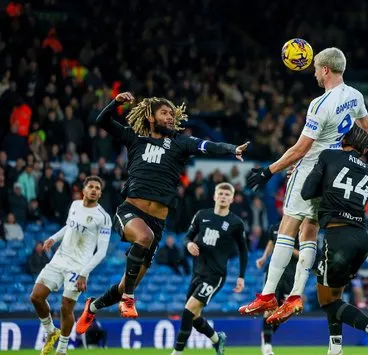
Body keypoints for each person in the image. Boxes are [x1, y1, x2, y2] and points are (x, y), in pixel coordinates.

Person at [239, 47, 368, 326]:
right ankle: (295, 295)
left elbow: (300, 149)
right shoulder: (355, 96)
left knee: (288, 226)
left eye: (317, 69)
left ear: (326, 70)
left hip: (311, 167)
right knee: (310, 230)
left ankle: (269, 294)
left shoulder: (320, 104)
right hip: (333, 171)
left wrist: (268, 170)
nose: (315, 73)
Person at [75, 92, 248, 331]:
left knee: (128, 281)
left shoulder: (179, 143)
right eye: (164, 112)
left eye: (172, 114)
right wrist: (115, 103)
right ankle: (128, 299)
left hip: (158, 223)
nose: (170, 117)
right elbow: (101, 122)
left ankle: (92, 308)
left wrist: (231, 149)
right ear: (151, 116)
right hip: (130, 211)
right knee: (142, 241)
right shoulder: (134, 138)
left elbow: (206, 146)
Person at [300, 125, 368, 355]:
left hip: (338, 236)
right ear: (364, 149)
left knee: (327, 302)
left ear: (344, 139)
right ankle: (335, 348)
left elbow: (306, 192)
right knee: (336, 296)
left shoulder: (329, 155)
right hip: (361, 238)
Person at [29, 176, 111, 355]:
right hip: (59, 258)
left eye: (98, 188)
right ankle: (50, 331)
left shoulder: (103, 218)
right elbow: (69, 227)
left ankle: (62, 349)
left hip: (78, 267)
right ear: (84, 190)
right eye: (91, 186)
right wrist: (53, 238)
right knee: (36, 297)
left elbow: (102, 251)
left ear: (100, 193)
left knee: (66, 307)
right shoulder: (74, 205)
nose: (94, 190)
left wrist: (84, 273)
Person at [171, 182, 247, 355]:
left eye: (227, 195)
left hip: (215, 275)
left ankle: (177, 352)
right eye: (220, 193)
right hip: (197, 272)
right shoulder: (201, 215)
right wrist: (189, 243)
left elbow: (243, 250)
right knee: (194, 316)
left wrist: (241, 277)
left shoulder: (235, 223)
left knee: (188, 311)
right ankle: (216, 339)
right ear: (214, 196)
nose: (223, 197)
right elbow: (187, 237)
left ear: (232, 199)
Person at [255, 223, 299, 355]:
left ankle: (265, 336)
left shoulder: (302, 229)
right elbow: (271, 243)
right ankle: (267, 346)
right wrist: (264, 257)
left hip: (291, 275)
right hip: (273, 272)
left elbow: (305, 254)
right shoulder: (275, 227)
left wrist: (287, 247)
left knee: (282, 313)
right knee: (269, 307)